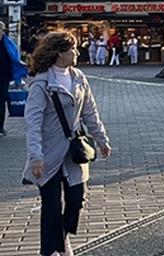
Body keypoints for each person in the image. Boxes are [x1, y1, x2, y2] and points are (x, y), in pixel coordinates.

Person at [23, 32, 111, 256]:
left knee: (76, 200)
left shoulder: (79, 77)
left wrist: (102, 140)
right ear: (59, 53)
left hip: (74, 152)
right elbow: (32, 122)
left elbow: (90, 112)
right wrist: (36, 156)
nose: (77, 52)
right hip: (48, 153)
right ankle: (51, 251)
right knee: (51, 206)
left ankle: (60, 239)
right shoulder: (41, 83)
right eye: (72, 49)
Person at [0, 21, 27, 136]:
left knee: (1, 101)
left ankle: (0, 127)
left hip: (3, 76)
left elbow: (15, 57)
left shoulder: (8, 43)